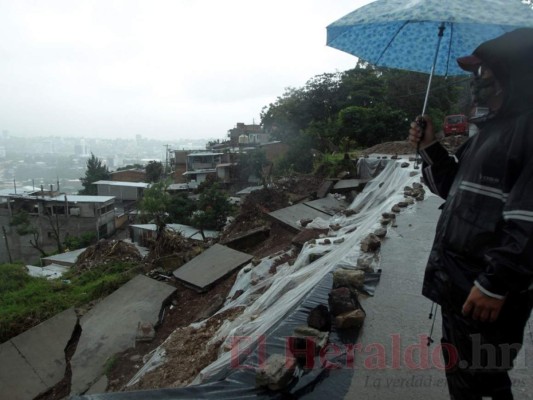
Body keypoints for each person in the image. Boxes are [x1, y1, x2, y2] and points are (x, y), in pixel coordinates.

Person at [408, 28, 533, 400]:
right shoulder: (487, 133)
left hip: (486, 293)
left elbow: (528, 222)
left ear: (512, 73)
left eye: (483, 71)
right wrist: (430, 146)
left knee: (479, 384)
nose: (476, 81)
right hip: (461, 285)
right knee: (472, 380)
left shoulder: (526, 132)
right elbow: (454, 190)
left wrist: (495, 283)